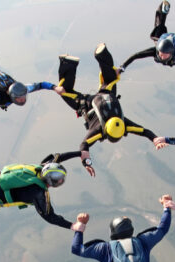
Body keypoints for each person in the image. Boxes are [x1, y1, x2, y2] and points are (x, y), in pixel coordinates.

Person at [57, 44, 162, 176]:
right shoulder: (99, 131)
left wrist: (155, 139)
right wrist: (87, 162)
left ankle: (102, 54)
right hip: (87, 103)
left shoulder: (124, 124)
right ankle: (68, 63)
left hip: (106, 94)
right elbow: (84, 145)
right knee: (65, 93)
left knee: (110, 79)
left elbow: (144, 131)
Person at [119, 1, 175, 83]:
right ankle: (164, 10)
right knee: (157, 38)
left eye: (164, 54)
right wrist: (121, 68)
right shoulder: (156, 50)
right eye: (161, 53)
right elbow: (136, 56)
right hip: (163, 43)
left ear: (170, 53)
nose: (161, 56)